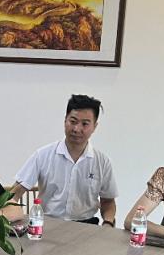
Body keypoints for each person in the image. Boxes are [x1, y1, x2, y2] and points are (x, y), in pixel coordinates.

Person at [10, 94, 118, 226]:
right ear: (65, 120)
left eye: (85, 124)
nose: (77, 129)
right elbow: (15, 192)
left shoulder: (102, 162)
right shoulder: (42, 155)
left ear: (94, 126)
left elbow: (108, 202)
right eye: (73, 121)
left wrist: (108, 223)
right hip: (47, 224)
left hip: (87, 226)